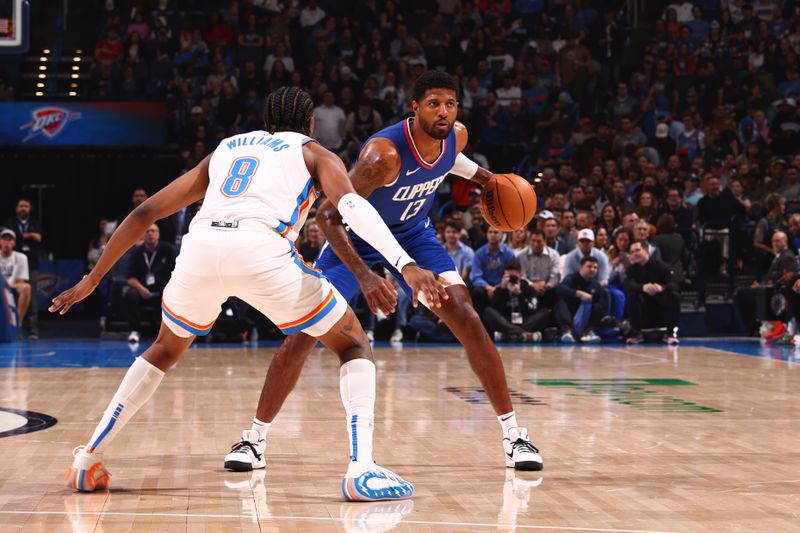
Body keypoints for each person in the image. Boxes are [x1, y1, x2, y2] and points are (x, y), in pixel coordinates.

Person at [51, 87, 445, 501]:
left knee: (164, 348)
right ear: (310, 124)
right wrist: (406, 265)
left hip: (201, 248)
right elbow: (352, 208)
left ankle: (88, 457)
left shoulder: (225, 149)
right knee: (352, 344)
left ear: (266, 121)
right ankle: (361, 468)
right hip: (262, 250)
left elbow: (145, 212)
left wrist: (92, 280)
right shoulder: (315, 153)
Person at [224, 71, 543, 475]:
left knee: (467, 316)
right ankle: (253, 439)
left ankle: (514, 436)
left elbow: (450, 160)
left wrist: (486, 179)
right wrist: (366, 277)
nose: (443, 112)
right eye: (433, 104)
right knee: (304, 334)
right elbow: (328, 216)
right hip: (353, 240)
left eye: (450, 103)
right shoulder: (383, 156)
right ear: (414, 108)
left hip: (413, 234)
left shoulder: (456, 136)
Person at [734, 231, 797, 337]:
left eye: (778, 241)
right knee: (741, 291)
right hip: (766, 289)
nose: (774, 244)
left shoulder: (787, 257)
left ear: (785, 241)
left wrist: (762, 286)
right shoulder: (778, 256)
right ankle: (753, 325)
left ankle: (753, 325)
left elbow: (784, 279)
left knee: (743, 293)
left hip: (774, 292)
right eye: (773, 241)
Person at [124, 224, 177, 344]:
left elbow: (178, 272)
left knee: (177, 295)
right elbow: (130, 278)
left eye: (153, 231)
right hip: (143, 290)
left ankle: (171, 333)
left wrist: (169, 288)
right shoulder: (137, 252)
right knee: (130, 294)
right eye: (147, 231)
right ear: (143, 235)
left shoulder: (168, 249)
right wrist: (141, 289)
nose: (150, 233)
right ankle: (134, 331)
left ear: (158, 234)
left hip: (165, 290)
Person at [623, 241, 681, 345]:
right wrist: (643, 287)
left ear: (646, 251)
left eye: (637, 250)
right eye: (632, 252)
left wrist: (662, 288)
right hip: (643, 303)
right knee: (632, 295)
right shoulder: (631, 270)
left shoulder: (662, 266)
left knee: (674, 295)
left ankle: (670, 333)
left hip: (660, 300)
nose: (634, 254)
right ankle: (636, 333)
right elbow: (628, 285)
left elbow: (674, 284)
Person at [4, 198, 41, 339]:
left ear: (30, 208)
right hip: (4, 282)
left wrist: (20, 237)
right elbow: (33, 237)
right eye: (21, 206)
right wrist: (30, 236)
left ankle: (27, 328)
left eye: (26, 206)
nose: (23, 208)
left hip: (30, 264)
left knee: (29, 293)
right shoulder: (9, 223)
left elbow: (40, 239)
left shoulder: (35, 223)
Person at [482, 262, 546, 342]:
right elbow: (495, 308)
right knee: (487, 311)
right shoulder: (500, 289)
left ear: (520, 275)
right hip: (506, 320)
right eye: (508, 276)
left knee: (544, 313)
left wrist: (519, 294)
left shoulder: (529, 289)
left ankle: (508, 336)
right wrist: (502, 289)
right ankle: (524, 335)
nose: (511, 279)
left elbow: (531, 310)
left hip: (524, 320)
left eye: (513, 276)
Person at [554, 256, 608, 343]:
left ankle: (589, 332)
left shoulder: (596, 284)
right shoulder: (571, 278)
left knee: (598, 307)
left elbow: (598, 302)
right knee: (561, 303)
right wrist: (577, 293)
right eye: (589, 266)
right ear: (581, 267)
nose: (592, 269)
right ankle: (566, 330)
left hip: (585, 315)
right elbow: (560, 289)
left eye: (595, 267)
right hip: (570, 312)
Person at [471, 226, 518, 313]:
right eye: (490, 232)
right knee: (476, 291)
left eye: (496, 232)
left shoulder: (509, 253)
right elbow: (475, 277)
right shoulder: (479, 254)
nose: (492, 235)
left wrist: (499, 287)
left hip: (503, 286)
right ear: (486, 234)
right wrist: (489, 288)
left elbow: (513, 274)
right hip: (485, 287)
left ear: (502, 235)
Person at [518, 229, 560, 312]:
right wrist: (532, 285)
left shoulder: (553, 255)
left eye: (539, 241)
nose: (536, 244)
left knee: (558, 291)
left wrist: (546, 286)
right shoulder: (521, 255)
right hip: (528, 288)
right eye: (533, 241)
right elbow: (522, 276)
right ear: (529, 241)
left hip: (546, 288)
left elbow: (555, 275)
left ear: (544, 241)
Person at [0, 228, 31, 331]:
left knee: (26, 287)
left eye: (10, 240)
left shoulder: (21, 257)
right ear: (0, 241)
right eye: (4, 239)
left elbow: (21, 281)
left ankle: (17, 323)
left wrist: (6, 285)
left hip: (12, 288)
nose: (7, 242)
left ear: (14, 242)